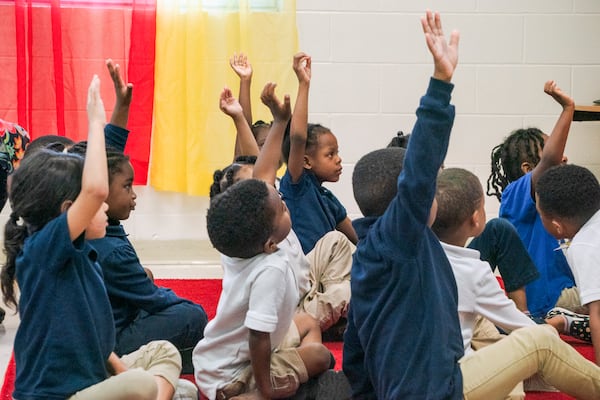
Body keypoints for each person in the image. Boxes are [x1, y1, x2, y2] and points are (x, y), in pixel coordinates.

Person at [0, 75, 182, 400]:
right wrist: (95, 120)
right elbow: (96, 187)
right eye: (98, 206)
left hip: (91, 381)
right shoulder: (41, 251)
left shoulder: (84, 254)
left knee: (164, 353)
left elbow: (99, 344)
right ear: (71, 210)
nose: (104, 208)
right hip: (59, 396)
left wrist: (125, 371)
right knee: (143, 385)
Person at [70, 61, 208, 376]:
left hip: (101, 332)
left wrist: (123, 103)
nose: (134, 195)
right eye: (128, 187)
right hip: (112, 344)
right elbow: (155, 299)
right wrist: (188, 307)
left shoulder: (82, 224)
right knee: (192, 316)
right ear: (99, 192)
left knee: (147, 281)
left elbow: (107, 156)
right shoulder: (110, 248)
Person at [430, 166, 600, 399]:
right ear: (477, 218)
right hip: (445, 386)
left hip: (411, 379)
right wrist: (544, 334)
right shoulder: (472, 271)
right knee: (540, 341)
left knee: (487, 329)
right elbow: (523, 329)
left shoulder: (402, 256)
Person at [211, 82, 355, 333]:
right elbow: (287, 144)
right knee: (353, 291)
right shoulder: (256, 228)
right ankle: (334, 316)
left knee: (336, 241)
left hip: (305, 283)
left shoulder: (273, 195)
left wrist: (275, 120)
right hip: (293, 309)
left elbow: (256, 163)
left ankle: (335, 310)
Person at [193, 178, 335, 400]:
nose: (284, 202)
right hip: (233, 373)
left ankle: (294, 381)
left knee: (308, 322)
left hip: (213, 363)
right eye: (281, 209)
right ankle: (255, 394)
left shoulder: (239, 249)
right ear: (269, 244)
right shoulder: (270, 270)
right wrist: (266, 388)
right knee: (321, 357)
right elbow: (258, 336)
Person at [387, 132, 539, 313]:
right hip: (433, 289)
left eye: (442, 166)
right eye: (437, 167)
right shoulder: (399, 209)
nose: (442, 172)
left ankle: (523, 313)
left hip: (452, 269)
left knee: (499, 229)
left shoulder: (441, 196)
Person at [486, 81, 578, 319]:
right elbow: (549, 161)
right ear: (528, 169)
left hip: (565, 294)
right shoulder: (515, 194)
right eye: (554, 151)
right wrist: (568, 109)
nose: (563, 156)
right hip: (548, 301)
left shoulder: (557, 198)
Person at [279, 52, 358, 254]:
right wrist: (304, 84)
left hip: (328, 272)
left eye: (337, 153)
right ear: (306, 161)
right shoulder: (297, 187)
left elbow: (358, 238)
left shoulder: (327, 198)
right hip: (306, 273)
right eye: (330, 154)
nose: (339, 159)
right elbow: (298, 137)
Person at [536, 164, 600, 359]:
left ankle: (567, 322)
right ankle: (567, 322)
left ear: (557, 226)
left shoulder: (585, 245)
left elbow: (598, 312)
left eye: (540, 215)